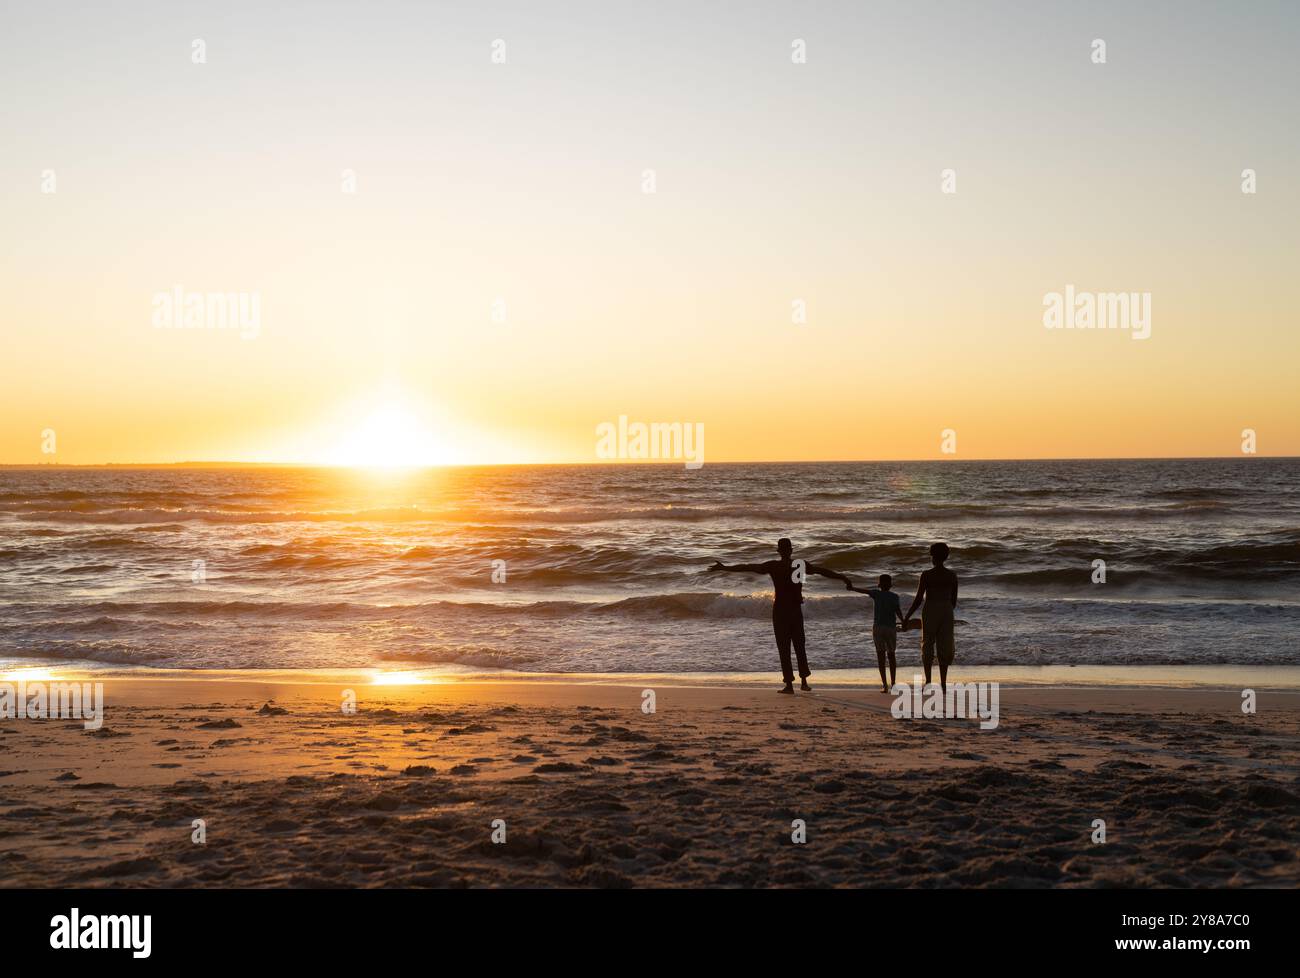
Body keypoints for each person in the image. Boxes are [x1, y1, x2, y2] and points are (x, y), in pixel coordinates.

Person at [708, 538, 850, 693]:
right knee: (799, 645)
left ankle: (789, 685)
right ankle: (804, 682)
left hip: (780, 609)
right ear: (791, 550)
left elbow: (748, 567)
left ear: (779, 551)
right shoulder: (799, 565)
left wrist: (725, 568)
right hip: (795, 608)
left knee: (784, 647)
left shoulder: (773, 566)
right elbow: (822, 571)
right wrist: (842, 577)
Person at [902, 542, 958, 694]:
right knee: (944, 645)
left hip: (930, 609)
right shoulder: (952, 575)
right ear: (946, 557)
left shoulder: (926, 574)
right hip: (946, 610)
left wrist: (907, 616)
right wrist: (946, 610)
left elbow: (919, 598)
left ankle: (928, 681)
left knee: (927, 644)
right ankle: (944, 684)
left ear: (933, 557)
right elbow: (954, 601)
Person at [846, 574, 904, 692]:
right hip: (891, 628)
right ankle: (893, 684)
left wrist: (852, 588)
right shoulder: (895, 596)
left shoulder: (876, 594)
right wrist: (904, 622)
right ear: (890, 585)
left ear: (879, 585)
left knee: (880, 656)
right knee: (892, 655)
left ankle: (884, 685)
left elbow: (864, 591)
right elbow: (898, 611)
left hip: (878, 628)